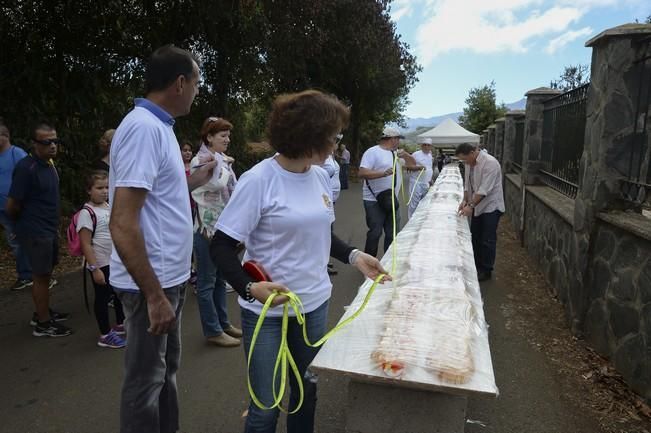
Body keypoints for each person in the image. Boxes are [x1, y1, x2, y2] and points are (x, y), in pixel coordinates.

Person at [210, 90, 390, 433]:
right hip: (268, 315)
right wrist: (250, 288)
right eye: (333, 137)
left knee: (306, 393)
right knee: (264, 407)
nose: (337, 145)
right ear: (309, 137)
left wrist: (354, 256)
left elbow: (321, 234)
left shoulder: (320, 175)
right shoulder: (259, 180)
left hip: (313, 307)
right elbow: (220, 246)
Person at [108, 45, 217, 433]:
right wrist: (153, 295)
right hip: (149, 287)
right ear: (180, 83)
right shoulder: (142, 129)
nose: (198, 91)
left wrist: (193, 181)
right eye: (197, 82)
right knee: (145, 384)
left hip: (168, 278)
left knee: (165, 374)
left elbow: (155, 194)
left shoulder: (162, 127)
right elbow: (122, 222)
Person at [6, 122, 71, 337]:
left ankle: (42, 312)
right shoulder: (26, 168)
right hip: (35, 231)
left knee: (46, 273)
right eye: (46, 142)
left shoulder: (49, 164)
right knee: (40, 276)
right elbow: (12, 205)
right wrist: (20, 227)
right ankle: (43, 324)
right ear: (35, 144)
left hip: (48, 228)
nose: (52, 145)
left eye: (55, 141)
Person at [191, 117, 242, 347]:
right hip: (205, 229)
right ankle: (212, 330)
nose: (227, 140)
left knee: (221, 278)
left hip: (222, 227)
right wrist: (223, 166)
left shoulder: (221, 159)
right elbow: (216, 185)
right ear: (209, 137)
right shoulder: (201, 160)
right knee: (207, 281)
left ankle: (223, 323)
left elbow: (234, 188)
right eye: (223, 136)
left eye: (228, 135)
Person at [77, 170, 126, 348]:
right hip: (100, 263)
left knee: (118, 293)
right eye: (99, 188)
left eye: (107, 187)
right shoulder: (86, 212)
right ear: (89, 190)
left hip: (114, 260)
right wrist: (94, 268)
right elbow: (86, 244)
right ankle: (105, 334)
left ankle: (121, 323)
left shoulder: (107, 206)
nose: (104, 191)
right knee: (102, 297)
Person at [358, 126, 417, 257]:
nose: (399, 142)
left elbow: (413, 165)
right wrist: (382, 173)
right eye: (398, 139)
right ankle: (369, 262)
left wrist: (406, 155)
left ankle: (389, 261)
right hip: (373, 200)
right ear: (392, 139)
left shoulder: (396, 153)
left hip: (392, 200)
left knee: (393, 233)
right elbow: (362, 172)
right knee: (375, 232)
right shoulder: (372, 152)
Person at [456, 142, 505, 282]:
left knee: (487, 239)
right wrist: (465, 200)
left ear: (472, 153)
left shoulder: (490, 163)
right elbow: (468, 184)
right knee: (475, 236)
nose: (465, 162)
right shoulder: (468, 163)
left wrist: (470, 205)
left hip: (491, 207)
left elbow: (484, 190)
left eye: (465, 159)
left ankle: (486, 270)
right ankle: (476, 266)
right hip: (477, 205)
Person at [0, 123, 33, 291]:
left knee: (22, 240)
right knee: (14, 240)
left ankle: (30, 275)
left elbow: (28, 177)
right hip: (2, 209)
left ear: (5, 136)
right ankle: (26, 274)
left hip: (18, 207)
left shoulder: (16, 153)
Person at [406, 137, 438, 219]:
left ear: (431, 146)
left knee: (424, 203)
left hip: (426, 183)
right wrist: (418, 167)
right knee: (414, 203)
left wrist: (430, 179)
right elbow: (408, 166)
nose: (426, 147)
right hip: (416, 182)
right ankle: (411, 221)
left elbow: (430, 168)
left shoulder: (430, 156)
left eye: (428, 145)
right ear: (421, 146)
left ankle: (420, 220)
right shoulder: (416, 154)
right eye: (425, 145)